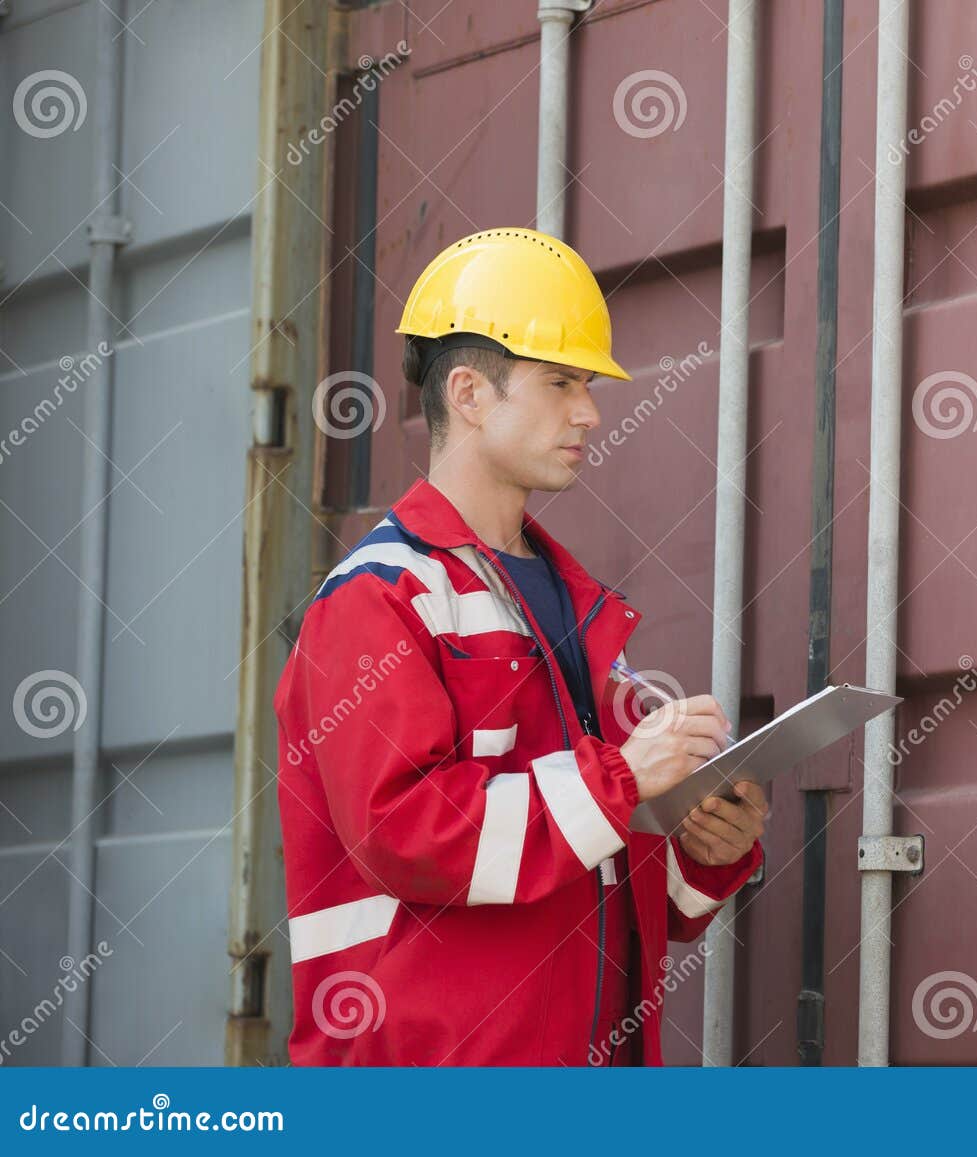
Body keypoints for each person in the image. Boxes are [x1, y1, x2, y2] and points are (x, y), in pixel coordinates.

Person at [273, 227, 766, 1066]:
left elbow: (597, 860)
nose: (591, 410)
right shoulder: (377, 599)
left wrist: (704, 850)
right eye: (561, 381)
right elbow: (404, 832)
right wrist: (622, 777)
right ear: (468, 392)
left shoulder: (577, 612)